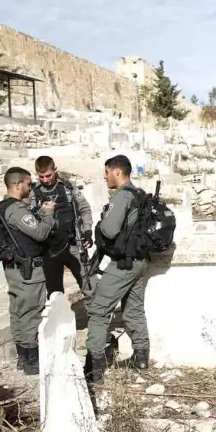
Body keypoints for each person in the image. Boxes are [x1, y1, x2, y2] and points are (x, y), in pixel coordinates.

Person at [85, 155, 150, 385]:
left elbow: (111, 230)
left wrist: (101, 224)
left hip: (123, 262)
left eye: (107, 172)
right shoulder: (139, 194)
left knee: (98, 310)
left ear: (117, 172)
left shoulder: (122, 196)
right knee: (133, 310)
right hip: (139, 261)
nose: (105, 177)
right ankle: (141, 359)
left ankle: (95, 367)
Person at [0, 167, 55, 376]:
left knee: (18, 312)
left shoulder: (5, 207)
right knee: (31, 313)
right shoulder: (16, 209)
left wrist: (39, 212)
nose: (31, 188)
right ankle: (32, 362)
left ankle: (23, 358)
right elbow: (40, 233)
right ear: (16, 184)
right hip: (28, 272)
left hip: (15, 269)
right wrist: (48, 214)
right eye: (28, 184)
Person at [28, 156, 94, 297]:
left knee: (89, 284)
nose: (45, 180)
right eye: (41, 177)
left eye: (48, 175)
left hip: (73, 245)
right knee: (54, 294)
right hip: (48, 249)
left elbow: (84, 209)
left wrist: (87, 231)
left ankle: (96, 317)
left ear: (55, 170)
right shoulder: (32, 193)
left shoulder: (68, 187)